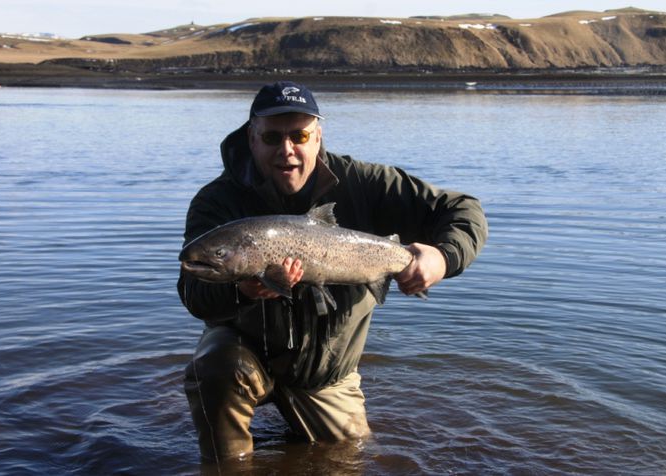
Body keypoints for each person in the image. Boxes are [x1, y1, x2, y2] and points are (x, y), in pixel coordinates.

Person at [177, 81, 488, 461]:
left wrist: (442, 257)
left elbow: (463, 209)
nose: (286, 149)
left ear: (317, 136)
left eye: (299, 135)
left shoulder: (363, 183)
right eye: (272, 137)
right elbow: (193, 292)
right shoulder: (217, 202)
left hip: (327, 374)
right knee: (215, 368)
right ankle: (229, 467)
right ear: (252, 138)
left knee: (348, 458)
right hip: (245, 358)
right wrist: (242, 291)